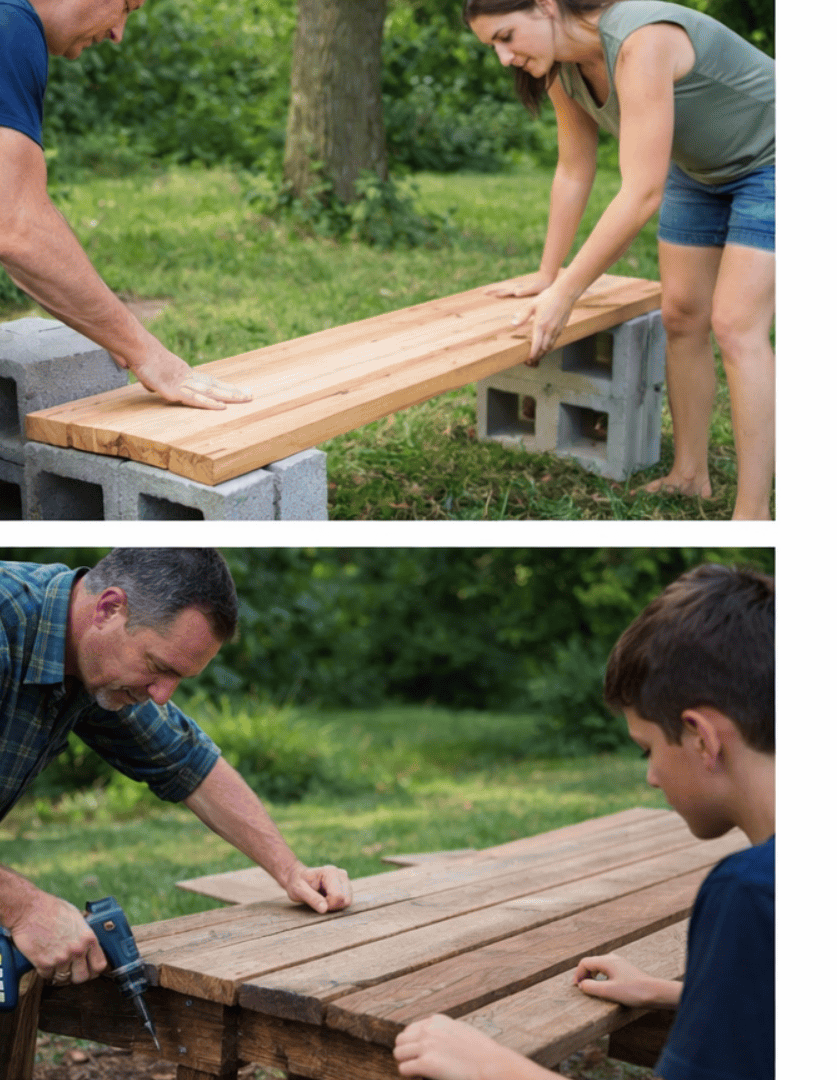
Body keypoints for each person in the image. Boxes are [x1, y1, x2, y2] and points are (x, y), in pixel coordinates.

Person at [0, 549, 352, 1080]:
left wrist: (290, 870)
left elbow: (188, 762)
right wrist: (24, 908)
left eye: (178, 679)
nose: (161, 695)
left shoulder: (90, 662)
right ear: (108, 608)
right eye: (159, 669)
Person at [395, 563, 773, 1080]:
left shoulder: (751, 893)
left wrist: (488, 1067)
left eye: (647, 749)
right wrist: (678, 993)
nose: (652, 778)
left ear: (702, 738)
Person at [0, 0, 253, 519]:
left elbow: (28, 208)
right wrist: (145, 352)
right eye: (126, 5)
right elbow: (18, 231)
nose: (119, 33)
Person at [463, 0, 774, 519]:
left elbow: (640, 194)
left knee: (737, 325)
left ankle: (754, 512)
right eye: (493, 46)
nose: (503, 57)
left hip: (777, 157)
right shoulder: (562, 71)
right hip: (700, 172)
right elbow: (573, 171)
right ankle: (691, 475)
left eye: (507, 36)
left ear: (545, 7)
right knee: (681, 317)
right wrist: (548, 275)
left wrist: (568, 294)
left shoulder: (641, 40)